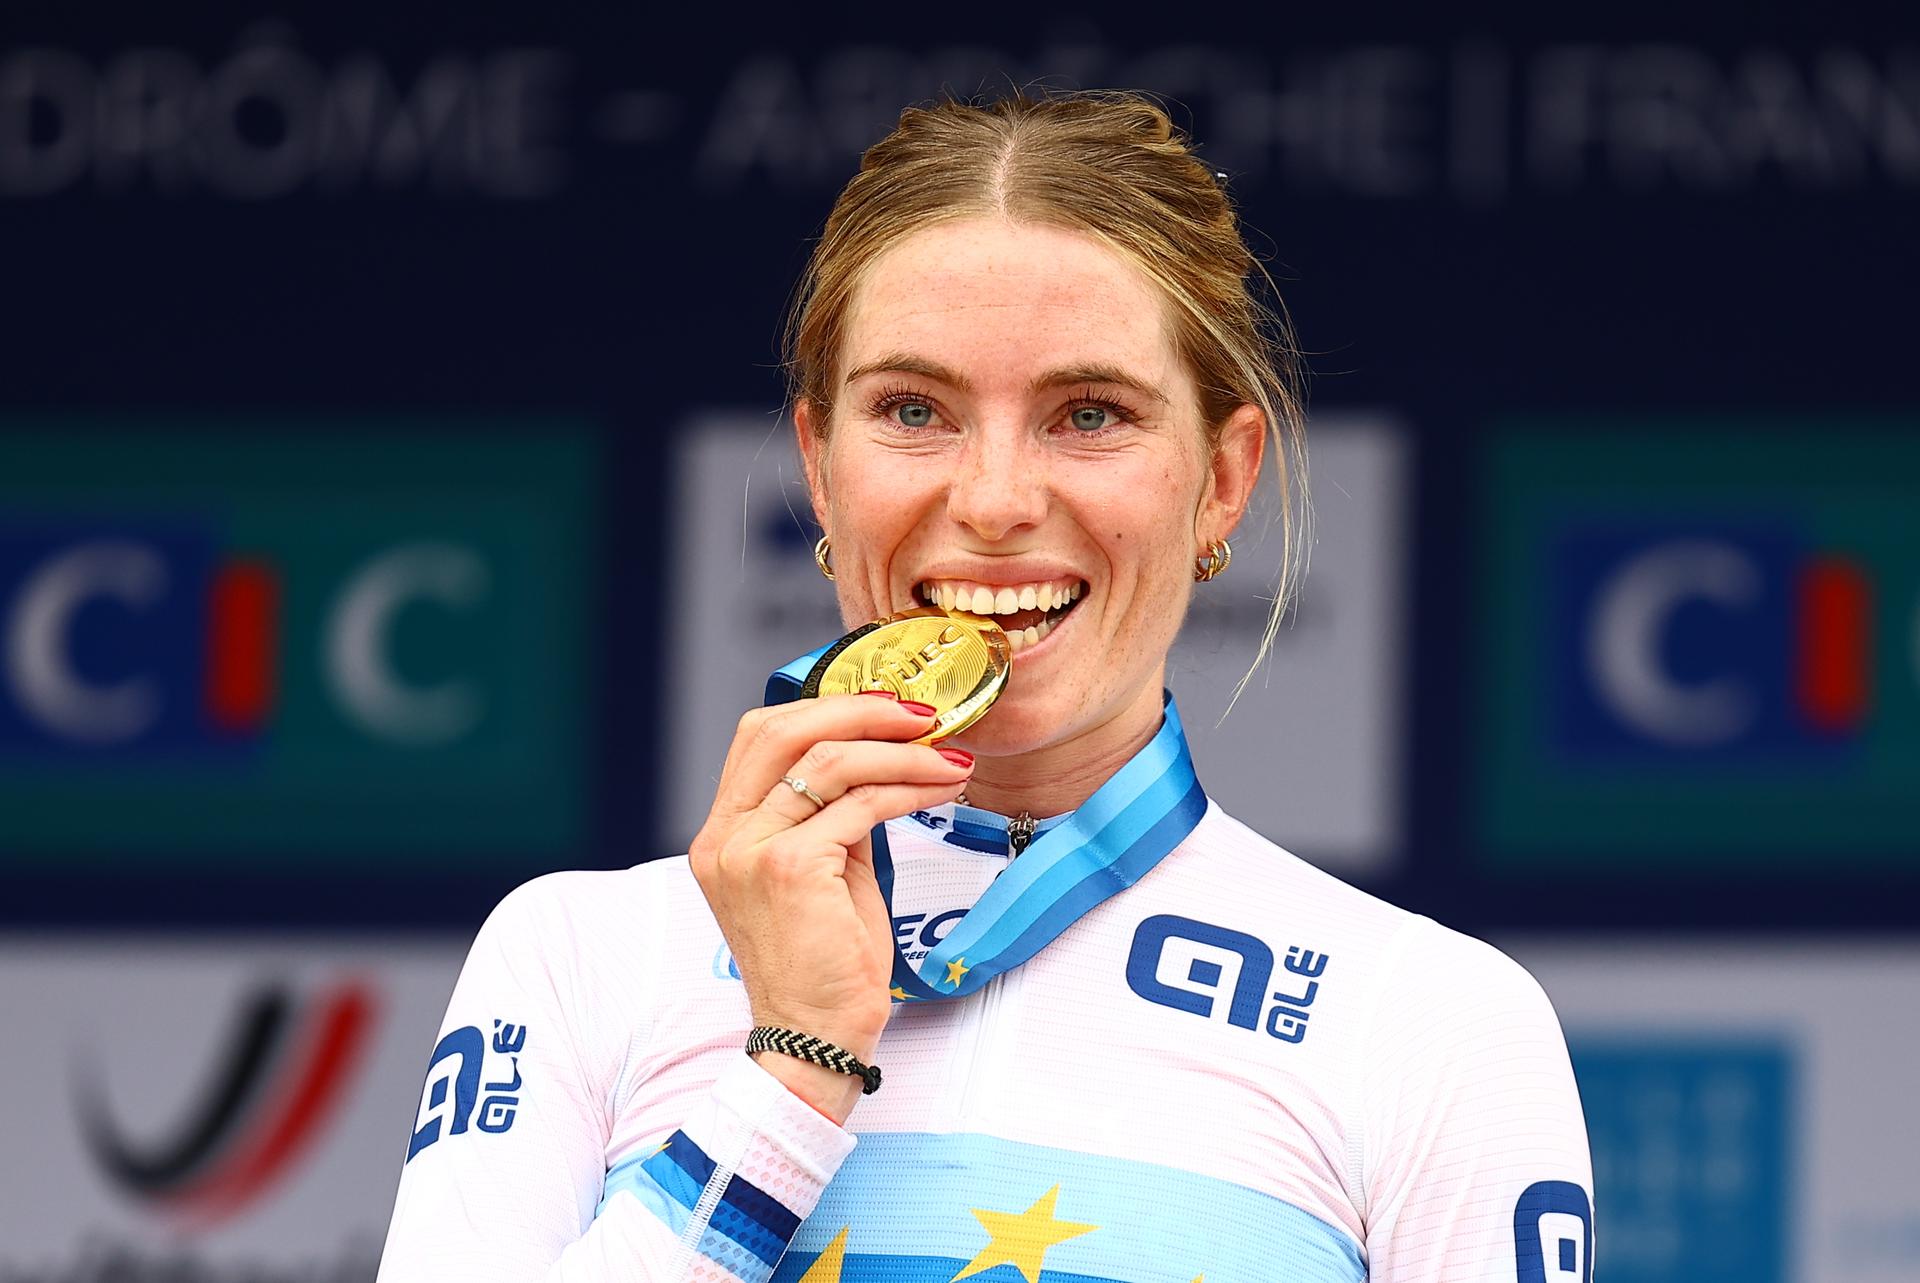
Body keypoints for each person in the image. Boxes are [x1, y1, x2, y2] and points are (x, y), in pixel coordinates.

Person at [377, 90, 1594, 1282]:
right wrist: (789, 1075)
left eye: (1090, 413)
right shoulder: (582, 955)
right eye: (914, 409)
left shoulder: (1432, 1020)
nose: (997, 499)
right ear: (820, 464)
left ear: (1221, 481)